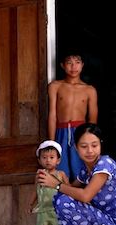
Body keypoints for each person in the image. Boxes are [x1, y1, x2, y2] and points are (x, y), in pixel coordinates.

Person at [47, 52, 98, 181]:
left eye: (77, 62)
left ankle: (82, 200)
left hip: (80, 132)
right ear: (62, 66)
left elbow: (92, 120)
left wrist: (91, 140)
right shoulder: (55, 86)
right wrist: (52, 143)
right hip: (61, 131)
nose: (73, 66)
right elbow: (52, 115)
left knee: (81, 169)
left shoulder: (89, 90)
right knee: (59, 171)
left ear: (82, 65)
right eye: (69, 62)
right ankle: (64, 200)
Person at [30, 140, 69, 225]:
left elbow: (68, 188)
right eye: (44, 157)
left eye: (51, 157)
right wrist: (31, 203)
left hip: (58, 210)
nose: (48, 160)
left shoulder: (61, 174)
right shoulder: (39, 174)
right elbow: (35, 190)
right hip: (43, 210)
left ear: (58, 160)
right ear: (39, 160)